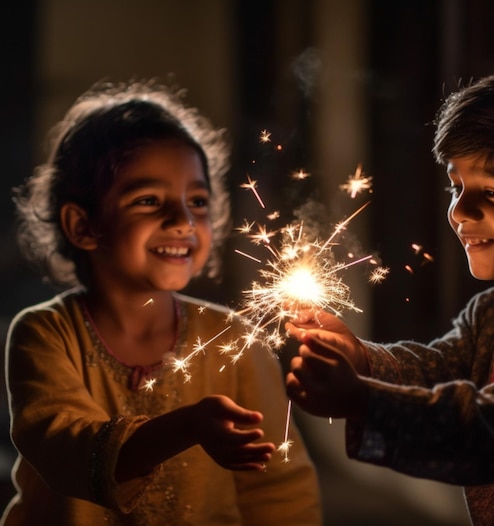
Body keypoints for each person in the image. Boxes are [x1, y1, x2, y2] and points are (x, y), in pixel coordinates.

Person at [285, 50, 494, 525]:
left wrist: (363, 399)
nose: (461, 212)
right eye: (455, 186)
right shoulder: (490, 313)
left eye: (492, 192)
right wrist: (359, 357)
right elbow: (437, 371)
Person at [3, 81, 321, 525]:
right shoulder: (45, 334)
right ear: (82, 225)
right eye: (148, 200)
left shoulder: (235, 342)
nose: (182, 221)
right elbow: (65, 448)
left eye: (197, 201)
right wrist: (187, 427)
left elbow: (280, 488)